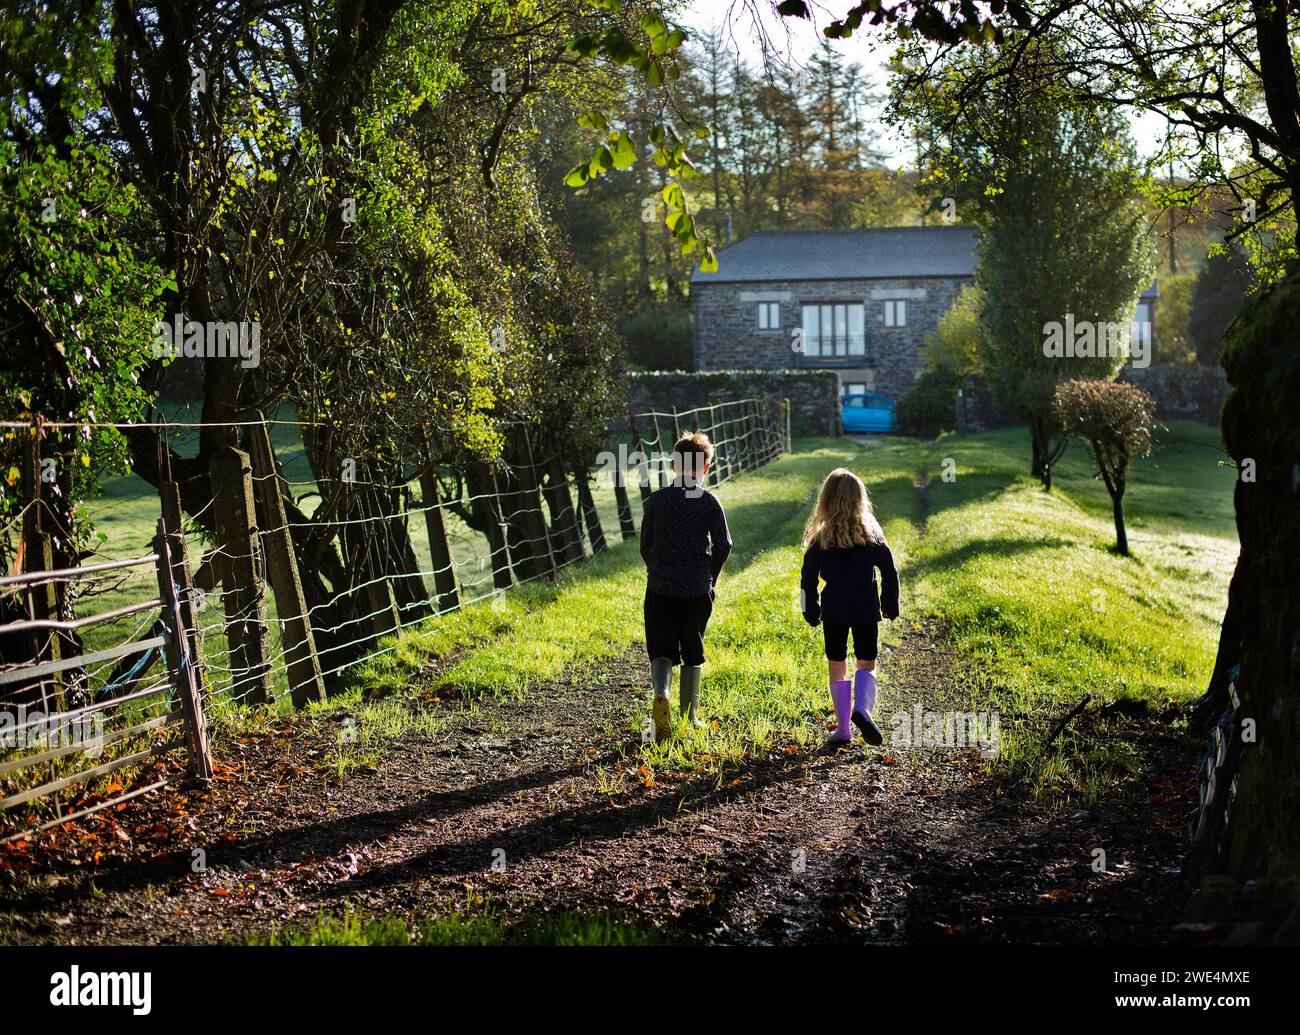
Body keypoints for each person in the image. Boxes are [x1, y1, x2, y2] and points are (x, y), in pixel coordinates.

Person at [639, 431, 732, 741]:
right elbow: (724, 545)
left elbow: (645, 545)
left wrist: (658, 570)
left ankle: (661, 692)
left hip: (659, 589)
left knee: (661, 648)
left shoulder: (656, 501)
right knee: (693, 650)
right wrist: (712, 578)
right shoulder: (708, 502)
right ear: (705, 468)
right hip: (696, 589)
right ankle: (689, 716)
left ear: (675, 465)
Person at [800, 468, 900, 746]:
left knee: (837, 665)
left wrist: (810, 610)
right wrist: (890, 604)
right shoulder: (871, 536)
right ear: (859, 500)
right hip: (866, 609)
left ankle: (843, 728)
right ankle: (863, 710)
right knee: (866, 662)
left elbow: (806, 580)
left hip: (834, 611)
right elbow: (890, 572)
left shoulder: (820, 540)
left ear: (826, 500)